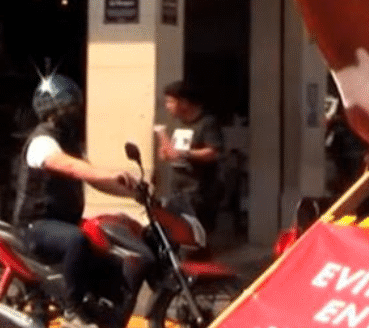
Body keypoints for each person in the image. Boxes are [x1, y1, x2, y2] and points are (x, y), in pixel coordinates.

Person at [12, 74, 138, 328]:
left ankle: (99, 308)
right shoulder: (42, 141)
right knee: (77, 240)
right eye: (69, 107)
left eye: (76, 107)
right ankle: (73, 310)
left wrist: (135, 193)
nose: (75, 112)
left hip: (63, 220)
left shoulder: (69, 142)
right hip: (36, 224)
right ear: (52, 110)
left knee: (110, 251)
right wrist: (109, 172)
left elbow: (92, 177)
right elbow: (71, 168)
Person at [155, 80, 224, 238]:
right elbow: (171, 151)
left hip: (200, 192)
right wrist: (165, 152)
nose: (167, 106)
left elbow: (213, 152)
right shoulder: (178, 123)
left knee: (197, 239)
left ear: (184, 102)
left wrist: (185, 154)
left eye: (170, 101)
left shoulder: (207, 123)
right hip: (177, 191)